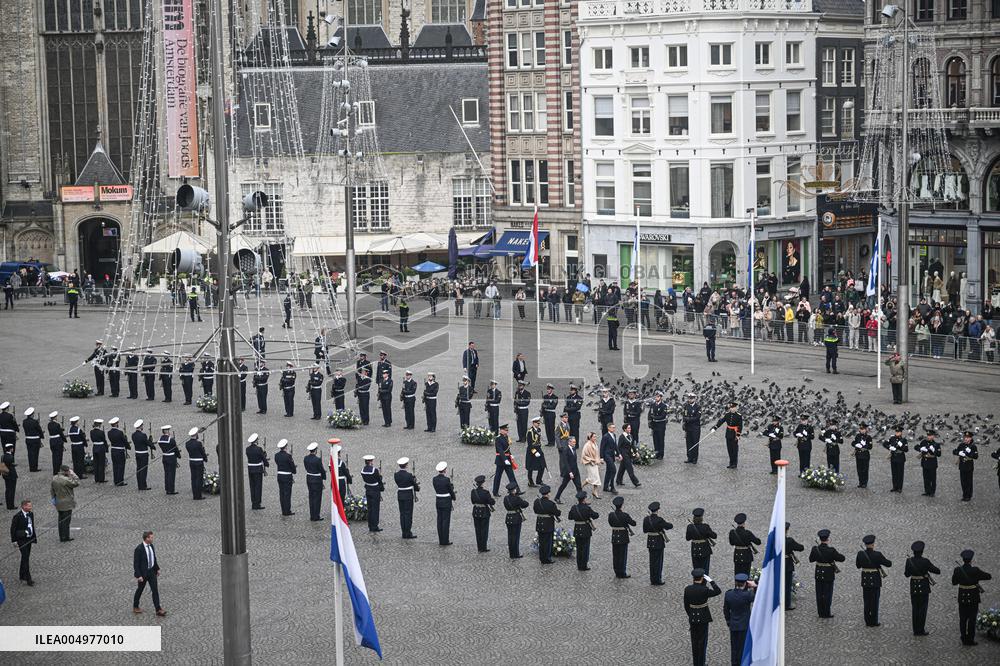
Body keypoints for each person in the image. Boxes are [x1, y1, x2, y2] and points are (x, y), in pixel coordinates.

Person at [952, 549, 992, 646]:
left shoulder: (958, 570)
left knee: (963, 619)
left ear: (963, 560)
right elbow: (988, 576)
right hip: (973, 597)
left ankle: (963, 637)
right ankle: (970, 639)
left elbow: (954, 582)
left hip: (962, 597)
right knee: (972, 619)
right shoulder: (975, 570)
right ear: (971, 560)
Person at [684, 568, 722, 666]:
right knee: (702, 641)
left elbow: (686, 605)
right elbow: (718, 591)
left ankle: (696, 663)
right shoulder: (705, 590)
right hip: (703, 618)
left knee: (694, 641)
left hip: (692, 618)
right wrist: (712, 581)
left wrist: (691, 615)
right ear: (702, 578)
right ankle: (701, 663)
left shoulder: (688, 589)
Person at [904, 540, 941, 636]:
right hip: (924, 587)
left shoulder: (909, 561)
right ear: (922, 551)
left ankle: (915, 630)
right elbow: (937, 571)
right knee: (922, 609)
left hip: (914, 587)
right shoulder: (925, 561)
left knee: (915, 608)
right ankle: (921, 629)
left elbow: (907, 575)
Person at [856, 534, 892, 627]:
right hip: (875, 581)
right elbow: (888, 564)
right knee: (874, 601)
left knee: (867, 601)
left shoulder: (860, 554)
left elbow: (858, 566)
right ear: (872, 544)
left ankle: (867, 621)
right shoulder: (877, 554)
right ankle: (874, 621)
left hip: (865, 581)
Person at [810, 528, 846, 618]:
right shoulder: (831, 550)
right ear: (828, 539)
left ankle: (820, 613)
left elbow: (811, 559)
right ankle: (826, 612)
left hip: (818, 573)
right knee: (827, 594)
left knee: (819, 593)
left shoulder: (815, 549)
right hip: (828, 574)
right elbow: (842, 558)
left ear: (820, 539)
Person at [723, 573, 756, 666]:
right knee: (742, 647)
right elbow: (758, 597)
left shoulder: (728, 594)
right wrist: (755, 586)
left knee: (734, 648)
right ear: (745, 583)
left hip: (733, 624)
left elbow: (726, 610)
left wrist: (728, 621)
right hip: (744, 625)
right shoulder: (747, 595)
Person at [133, 531, 166, 616]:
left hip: (151, 572)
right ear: (146, 538)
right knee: (140, 590)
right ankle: (135, 606)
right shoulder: (139, 549)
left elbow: (153, 558)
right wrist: (138, 575)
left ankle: (158, 609)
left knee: (155, 590)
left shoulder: (151, 546)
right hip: (143, 574)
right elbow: (136, 564)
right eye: (151, 537)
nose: (152, 539)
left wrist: (157, 568)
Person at [567, 490, 599, 571]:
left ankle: (579, 565)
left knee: (579, 548)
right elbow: (596, 515)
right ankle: (584, 565)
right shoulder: (587, 508)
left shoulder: (574, 507)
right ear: (584, 499)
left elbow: (570, 517)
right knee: (585, 548)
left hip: (577, 529)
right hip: (585, 530)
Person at [643, 502, 673, 585]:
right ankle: (657, 579)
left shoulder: (646, 519)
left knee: (652, 561)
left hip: (650, 542)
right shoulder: (659, 519)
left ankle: (652, 579)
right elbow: (669, 526)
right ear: (657, 510)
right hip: (658, 542)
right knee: (658, 561)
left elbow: (645, 531)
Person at [608, 496, 636, 578]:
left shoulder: (611, 515)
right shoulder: (625, 515)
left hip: (614, 536)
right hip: (623, 537)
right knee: (622, 555)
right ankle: (622, 572)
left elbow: (610, 524)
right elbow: (633, 523)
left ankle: (616, 571)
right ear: (622, 505)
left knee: (615, 555)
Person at [10, 499, 36, 585]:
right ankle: (28, 578)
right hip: (21, 540)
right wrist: (14, 541)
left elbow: (32, 525)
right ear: (24, 506)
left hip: (29, 539)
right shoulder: (17, 516)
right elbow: (13, 529)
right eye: (29, 506)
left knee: (25, 557)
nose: (30, 507)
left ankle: (22, 575)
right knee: (25, 558)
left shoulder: (31, 514)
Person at [51, 465, 79, 542]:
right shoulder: (66, 480)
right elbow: (76, 483)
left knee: (60, 520)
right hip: (67, 503)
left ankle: (61, 536)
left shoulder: (55, 478)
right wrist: (73, 474)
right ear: (66, 471)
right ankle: (65, 536)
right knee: (66, 521)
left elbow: (52, 490)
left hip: (58, 502)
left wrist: (53, 499)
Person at [711, 402, 744, 469]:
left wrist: (738, 435)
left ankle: (734, 464)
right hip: (728, 433)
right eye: (731, 408)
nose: (732, 409)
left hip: (734, 434)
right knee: (729, 449)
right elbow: (721, 421)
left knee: (734, 449)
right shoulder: (727, 415)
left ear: (736, 408)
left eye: (733, 408)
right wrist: (715, 428)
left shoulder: (739, 416)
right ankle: (731, 463)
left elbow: (740, 426)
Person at [533, 484, 560, 564]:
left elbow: (535, 511)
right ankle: (547, 558)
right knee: (548, 542)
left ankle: (542, 557)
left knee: (541, 542)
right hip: (548, 525)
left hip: (539, 523)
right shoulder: (551, 503)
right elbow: (557, 513)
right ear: (548, 494)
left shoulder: (537, 502)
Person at [430, 461, 455, 546]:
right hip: (446, 501)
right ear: (444, 470)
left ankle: (441, 539)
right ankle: (445, 540)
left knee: (439, 520)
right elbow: (450, 491)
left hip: (438, 500)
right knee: (445, 521)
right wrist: (453, 496)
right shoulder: (446, 480)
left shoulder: (434, 479)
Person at [394, 457, 419, 538]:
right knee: (408, 514)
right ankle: (408, 532)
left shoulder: (396, 475)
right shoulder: (409, 475)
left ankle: (403, 532)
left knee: (402, 514)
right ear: (406, 465)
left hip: (400, 495)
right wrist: (414, 481)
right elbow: (415, 486)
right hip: (408, 496)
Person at [687, 507, 717, 574]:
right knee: (705, 568)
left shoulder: (690, 527)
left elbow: (687, 538)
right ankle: (704, 583)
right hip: (705, 549)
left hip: (694, 549)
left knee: (696, 568)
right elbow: (714, 536)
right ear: (701, 518)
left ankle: (697, 581)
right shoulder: (705, 526)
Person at [491, 424, 519, 496]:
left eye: (507, 430)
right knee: (498, 477)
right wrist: (505, 459)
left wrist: (510, 454)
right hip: (501, 460)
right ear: (501, 430)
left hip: (507, 459)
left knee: (511, 476)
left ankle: (517, 490)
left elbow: (507, 448)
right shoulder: (498, 438)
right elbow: (500, 450)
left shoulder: (506, 437)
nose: (507, 431)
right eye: (505, 430)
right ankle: (495, 492)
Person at [503, 482, 528, 559]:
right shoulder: (517, 498)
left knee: (510, 536)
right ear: (514, 490)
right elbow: (525, 504)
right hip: (516, 519)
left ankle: (511, 553)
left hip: (508, 518)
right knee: (516, 537)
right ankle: (516, 554)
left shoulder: (506, 498)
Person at [470, 475, 494, 553]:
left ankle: (479, 547)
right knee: (484, 530)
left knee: (478, 530)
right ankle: (484, 547)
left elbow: (473, 502)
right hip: (484, 512)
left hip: (476, 512)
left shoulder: (473, 492)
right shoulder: (485, 492)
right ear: (482, 483)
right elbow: (492, 502)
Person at [554, 436, 581, 502]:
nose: (575, 443)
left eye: (575, 442)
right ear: (569, 442)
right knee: (563, 485)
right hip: (568, 472)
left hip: (575, 470)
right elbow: (566, 462)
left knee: (578, 486)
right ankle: (557, 497)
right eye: (573, 442)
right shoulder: (565, 450)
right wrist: (570, 472)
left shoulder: (573, 448)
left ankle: (581, 500)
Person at [952, 430, 978, 501]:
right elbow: (954, 451)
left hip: (969, 466)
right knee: (963, 481)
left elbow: (976, 456)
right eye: (965, 437)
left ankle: (969, 496)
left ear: (971, 438)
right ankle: (964, 495)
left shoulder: (973, 446)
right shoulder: (961, 445)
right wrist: (959, 453)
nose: (966, 439)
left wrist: (970, 452)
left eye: (968, 437)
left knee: (969, 481)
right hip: (962, 465)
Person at [360, 455, 383, 531]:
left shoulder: (363, 470)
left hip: (368, 489)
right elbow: (378, 480)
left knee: (370, 508)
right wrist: (381, 487)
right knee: (375, 509)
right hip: (375, 490)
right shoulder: (374, 470)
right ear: (370, 461)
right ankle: (375, 526)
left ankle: (370, 525)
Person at [785, 522, 805, 609]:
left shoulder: (775, 540)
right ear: (787, 530)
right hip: (787, 564)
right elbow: (800, 548)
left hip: (777, 565)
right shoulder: (789, 541)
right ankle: (786, 604)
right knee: (787, 585)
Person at [882, 424, 909, 492]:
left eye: (898, 432)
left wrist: (901, 446)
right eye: (896, 432)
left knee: (900, 473)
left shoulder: (904, 440)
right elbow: (885, 443)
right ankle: (895, 487)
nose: (897, 433)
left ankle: (899, 487)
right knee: (894, 473)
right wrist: (889, 447)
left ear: (901, 432)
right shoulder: (892, 438)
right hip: (893, 457)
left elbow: (906, 449)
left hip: (900, 458)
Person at [246, 433, 268, 510]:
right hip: (258, 469)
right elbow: (262, 458)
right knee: (258, 487)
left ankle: (253, 502)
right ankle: (257, 504)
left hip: (250, 469)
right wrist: (266, 462)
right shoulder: (259, 449)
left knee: (252, 486)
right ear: (255, 441)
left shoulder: (247, 449)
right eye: (257, 440)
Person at [303, 443, 325, 521]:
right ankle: (316, 516)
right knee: (317, 498)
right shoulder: (317, 459)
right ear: (315, 450)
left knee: (311, 497)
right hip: (317, 480)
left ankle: (312, 515)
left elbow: (306, 467)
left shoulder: (305, 458)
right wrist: (324, 477)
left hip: (309, 478)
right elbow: (321, 470)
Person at [615, 423, 641, 488]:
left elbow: (632, 445)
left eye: (630, 428)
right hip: (624, 455)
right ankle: (635, 482)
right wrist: (619, 454)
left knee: (622, 468)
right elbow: (618, 446)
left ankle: (618, 480)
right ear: (625, 429)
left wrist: (636, 452)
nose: (630, 429)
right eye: (628, 428)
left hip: (628, 454)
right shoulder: (622, 437)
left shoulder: (630, 436)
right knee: (630, 468)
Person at [917, 430, 942, 496]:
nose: (929, 437)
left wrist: (934, 450)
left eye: (930, 435)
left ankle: (932, 492)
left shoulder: (936, 444)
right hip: (925, 462)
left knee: (932, 478)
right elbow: (916, 447)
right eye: (928, 435)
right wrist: (921, 449)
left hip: (932, 463)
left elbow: (939, 454)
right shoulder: (923, 442)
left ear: (933, 436)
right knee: (926, 478)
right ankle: (927, 491)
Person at [274, 439, 295, 516]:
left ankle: (283, 510)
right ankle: (287, 511)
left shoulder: (276, 455)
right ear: (285, 446)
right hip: (287, 476)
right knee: (287, 494)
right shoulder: (288, 456)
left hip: (280, 475)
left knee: (282, 493)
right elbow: (292, 468)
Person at [185, 429, 208, 500]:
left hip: (192, 462)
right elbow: (202, 453)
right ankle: (198, 495)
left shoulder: (187, 443)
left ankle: (195, 494)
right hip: (199, 462)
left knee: (193, 478)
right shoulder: (198, 443)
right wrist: (205, 458)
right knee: (199, 479)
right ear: (196, 435)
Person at [160, 426, 181, 495]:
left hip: (164, 457)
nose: (169, 431)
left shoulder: (161, 439)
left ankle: (167, 489)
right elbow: (175, 449)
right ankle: (171, 490)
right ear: (167, 431)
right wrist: (179, 456)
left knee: (166, 474)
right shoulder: (171, 439)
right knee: (171, 474)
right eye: (168, 430)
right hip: (171, 458)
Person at [132, 420, 153, 491]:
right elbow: (147, 443)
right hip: (143, 454)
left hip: (137, 453)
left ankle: (139, 485)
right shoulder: (143, 435)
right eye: (142, 426)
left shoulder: (133, 435)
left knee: (138, 469)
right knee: (143, 470)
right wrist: (151, 443)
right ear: (140, 426)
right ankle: (143, 485)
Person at [852, 423, 874, 489]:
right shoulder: (858, 436)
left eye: (863, 429)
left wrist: (864, 445)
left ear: (866, 430)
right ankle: (860, 482)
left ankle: (864, 483)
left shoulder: (868, 437)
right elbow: (853, 442)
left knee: (865, 469)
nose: (862, 430)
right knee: (859, 469)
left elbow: (870, 447)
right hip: (858, 455)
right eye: (861, 429)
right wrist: (856, 444)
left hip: (865, 455)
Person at [108, 418, 129, 486]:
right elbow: (123, 440)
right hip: (119, 450)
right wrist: (128, 446)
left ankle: (116, 480)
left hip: (113, 450)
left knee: (115, 465)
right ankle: (120, 481)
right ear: (116, 424)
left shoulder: (109, 432)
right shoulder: (120, 432)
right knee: (121, 466)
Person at [525, 417, 545, 487]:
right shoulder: (530, 431)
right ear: (533, 423)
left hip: (538, 448)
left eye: (539, 423)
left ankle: (539, 480)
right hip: (531, 450)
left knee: (542, 465)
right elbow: (530, 444)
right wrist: (535, 452)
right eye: (537, 423)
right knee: (530, 468)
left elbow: (538, 440)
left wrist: (539, 450)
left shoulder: (539, 430)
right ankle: (530, 482)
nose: (539, 424)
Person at [599, 423, 619, 494]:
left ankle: (605, 486)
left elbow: (615, 445)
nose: (614, 429)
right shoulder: (605, 436)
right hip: (607, 455)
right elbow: (602, 447)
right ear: (608, 428)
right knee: (613, 470)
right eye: (612, 427)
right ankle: (612, 486)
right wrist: (601, 457)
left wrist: (618, 454)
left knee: (608, 471)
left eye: (614, 427)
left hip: (612, 455)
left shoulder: (614, 435)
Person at [22, 407, 43, 472]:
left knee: (30, 454)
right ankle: (35, 467)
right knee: (35, 454)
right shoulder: (35, 422)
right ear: (31, 414)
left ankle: (31, 467)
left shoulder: (24, 421)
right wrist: (41, 435)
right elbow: (39, 430)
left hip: (28, 439)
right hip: (35, 440)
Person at [648, 391, 668, 459]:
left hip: (660, 425)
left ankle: (661, 454)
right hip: (654, 425)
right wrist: (650, 421)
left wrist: (654, 417)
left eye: (658, 396)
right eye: (656, 396)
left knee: (660, 440)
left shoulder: (664, 406)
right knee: (655, 439)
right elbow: (649, 414)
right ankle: (656, 453)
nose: (656, 398)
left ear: (661, 398)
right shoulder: (653, 405)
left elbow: (663, 416)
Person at [683, 393, 702, 464]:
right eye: (689, 398)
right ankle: (689, 457)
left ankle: (695, 458)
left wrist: (688, 419)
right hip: (688, 428)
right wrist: (685, 422)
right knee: (688, 443)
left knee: (695, 443)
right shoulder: (686, 406)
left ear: (694, 399)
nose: (690, 399)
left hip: (695, 428)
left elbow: (697, 417)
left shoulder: (698, 407)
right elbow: (684, 415)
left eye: (691, 398)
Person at [47, 411, 67, 476]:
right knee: (59, 457)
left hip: (52, 441)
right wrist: (64, 439)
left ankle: (55, 471)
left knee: (54, 456)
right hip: (58, 441)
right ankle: (58, 470)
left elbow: (54, 430)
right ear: (55, 417)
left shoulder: (49, 424)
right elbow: (60, 433)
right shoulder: (57, 424)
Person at [2, 442, 17, 510]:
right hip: (11, 476)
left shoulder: (3, 456)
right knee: (11, 491)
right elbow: (11, 465)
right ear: (10, 449)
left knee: (7, 490)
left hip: (5, 475)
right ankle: (11, 505)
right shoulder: (11, 457)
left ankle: (8, 504)